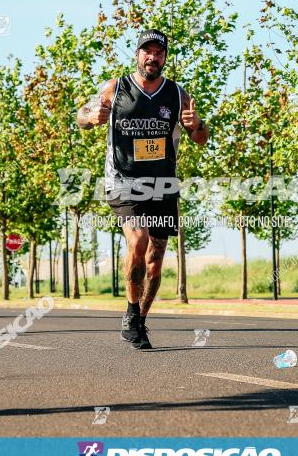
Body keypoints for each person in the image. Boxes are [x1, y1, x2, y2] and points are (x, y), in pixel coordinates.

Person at [77, 29, 208, 349]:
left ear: (164, 58)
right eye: (146, 51)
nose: (153, 57)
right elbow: (81, 115)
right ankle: (131, 315)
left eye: (159, 53)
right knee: (139, 240)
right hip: (123, 180)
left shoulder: (178, 95)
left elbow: (202, 138)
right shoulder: (115, 87)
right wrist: (91, 116)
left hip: (163, 185)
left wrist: (195, 127)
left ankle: (137, 320)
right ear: (137, 55)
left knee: (155, 259)